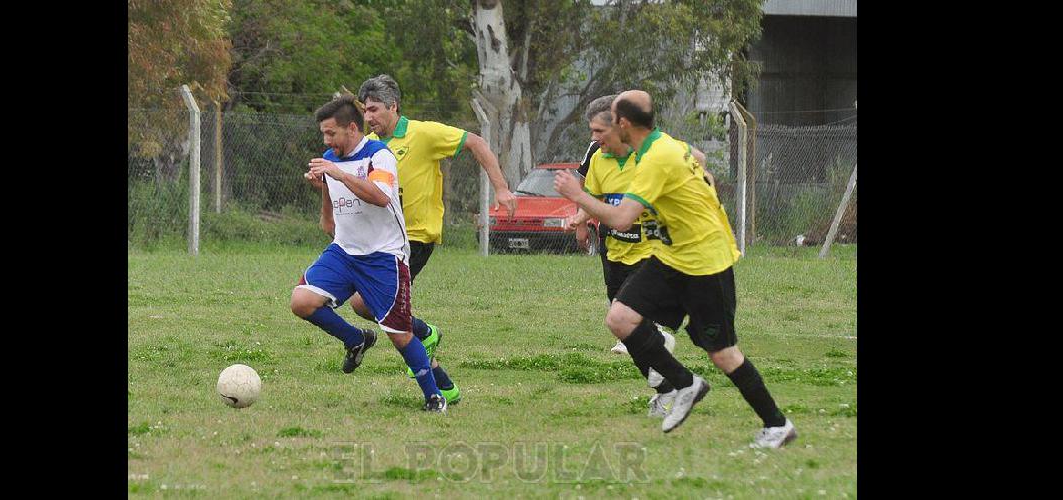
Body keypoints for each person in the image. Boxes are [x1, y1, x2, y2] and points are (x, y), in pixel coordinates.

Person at [553, 90, 796, 448]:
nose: (596, 138)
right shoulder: (658, 144)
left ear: (623, 125)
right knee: (619, 318)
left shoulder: (656, 158)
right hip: (673, 255)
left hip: (704, 262)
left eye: (602, 128)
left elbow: (621, 219)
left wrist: (579, 197)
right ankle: (685, 383)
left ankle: (776, 424)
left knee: (722, 353)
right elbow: (697, 161)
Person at [337, 74, 517, 404]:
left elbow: (476, 142)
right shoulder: (370, 147)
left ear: (393, 107)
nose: (369, 117)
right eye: (365, 111)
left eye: (375, 109)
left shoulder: (423, 134)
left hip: (414, 239)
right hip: (379, 240)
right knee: (374, 310)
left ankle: (427, 345)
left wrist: (502, 188)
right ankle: (440, 374)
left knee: (370, 306)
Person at [292, 95, 446, 413]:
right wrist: (324, 185)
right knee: (301, 302)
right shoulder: (330, 160)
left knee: (399, 334)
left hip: (383, 256)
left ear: (352, 128)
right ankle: (355, 340)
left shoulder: (379, 156)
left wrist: (339, 174)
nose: (326, 140)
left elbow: (379, 196)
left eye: (331, 133)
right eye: (323, 133)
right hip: (345, 252)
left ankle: (435, 396)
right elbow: (328, 224)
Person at [574, 116, 713, 357]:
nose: (594, 139)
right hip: (614, 237)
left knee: (639, 289)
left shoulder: (654, 151)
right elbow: (592, 194)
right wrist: (580, 218)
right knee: (615, 290)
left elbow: (698, 159)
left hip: (648, 236)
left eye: (599, 132)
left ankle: (653, 331)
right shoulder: (598, 156)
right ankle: (633, 338)